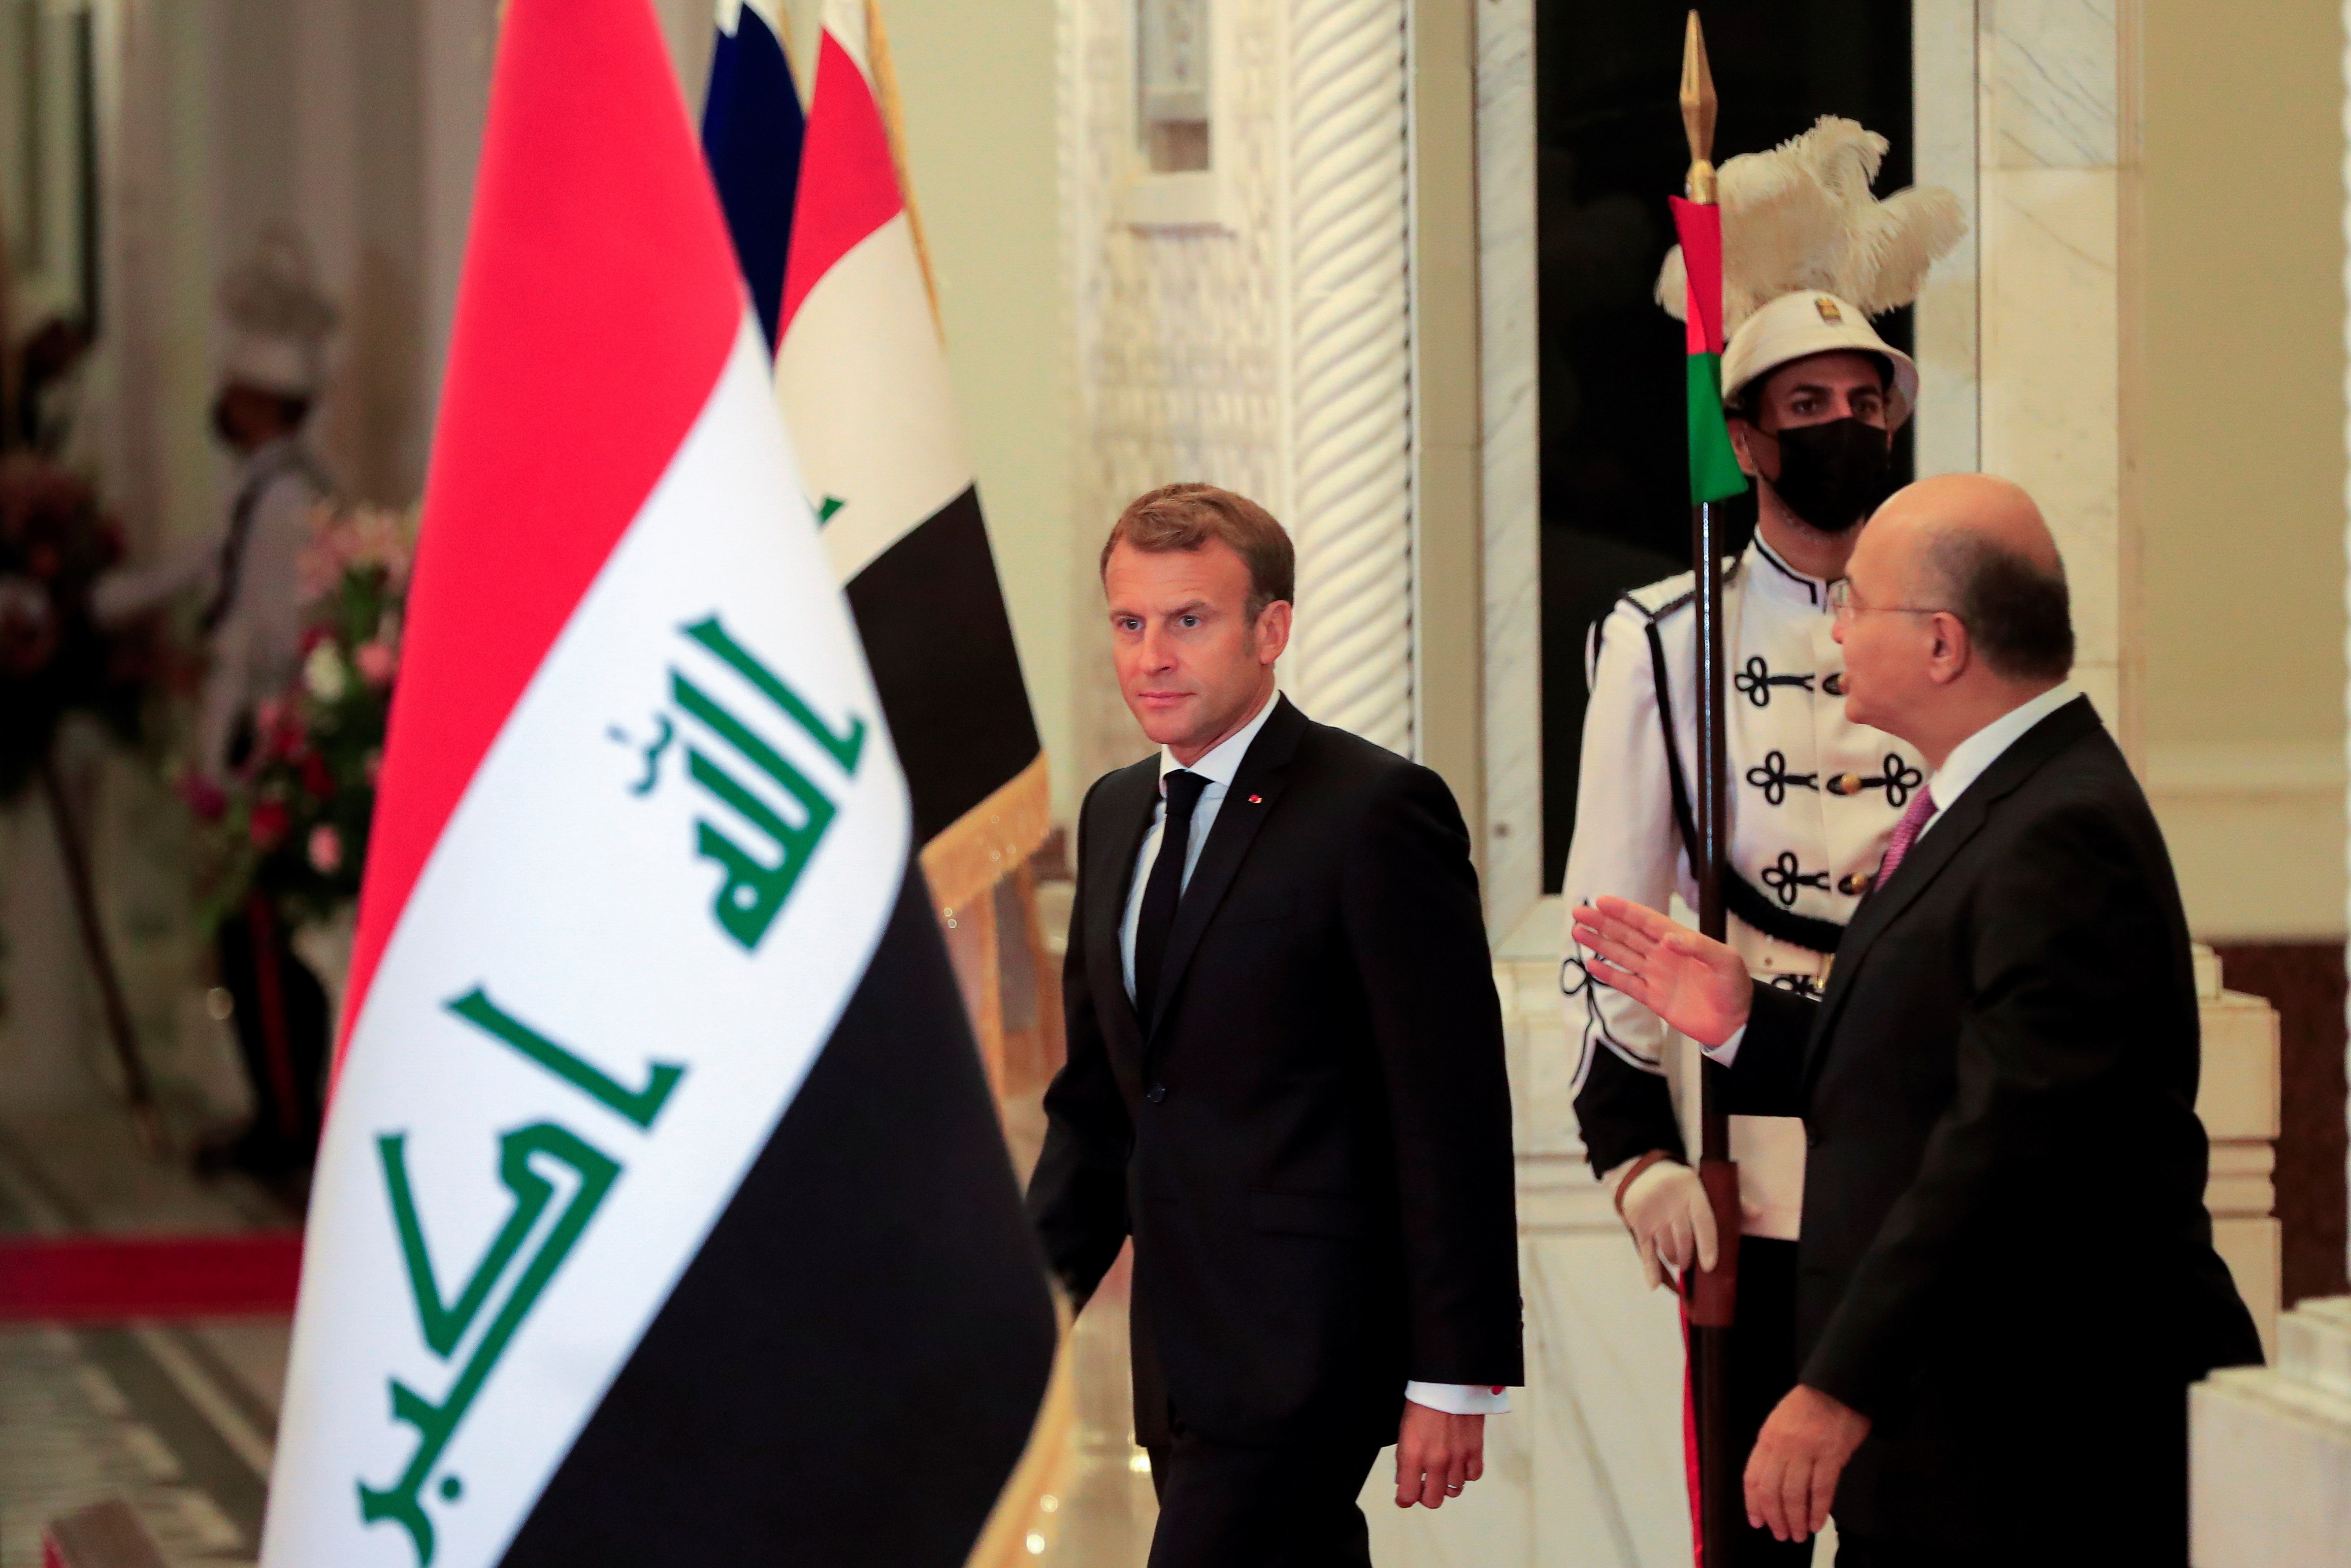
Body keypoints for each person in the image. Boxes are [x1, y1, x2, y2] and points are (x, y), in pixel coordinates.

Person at [1572, 473, 2262, 1566]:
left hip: (2032, 1445)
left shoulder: (2055, 830)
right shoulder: (1987, 801)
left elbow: (2006, 1150)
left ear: (1941, 645)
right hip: (1960, 1442)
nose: (1831, 624)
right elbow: (1929, 1081)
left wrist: (1835, 1389)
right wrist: (1746, 1021)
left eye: (1855, 601)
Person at [1027, 483, 1523, 1567]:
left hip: (1314, 1348)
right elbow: (1100, 1112)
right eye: (1128, 622)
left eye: (1187, 620)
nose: (1151, 654)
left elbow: (1447, 1108)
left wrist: (1453, 1369)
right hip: (1177, 1352)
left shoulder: (1374, 809)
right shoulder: (1115, 811)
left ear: (1270, 629)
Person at [1563, 289, 1927, 1565]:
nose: (1845, 426)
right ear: (1749, 441)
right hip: (1752, 1164)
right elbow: (1608, 925)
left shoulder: (1951, 625)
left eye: (1864, 402)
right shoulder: (1663, 639)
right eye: (1808, 407)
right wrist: (1633, 1156)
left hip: (1927, 1149)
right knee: (1754, 1527)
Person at [94, 230, 338, 1181]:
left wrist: (228, 751)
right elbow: (196, 572)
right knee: (247, 950)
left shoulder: (285, 502)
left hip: (260, 752)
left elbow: (266, 639)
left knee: (266, 957)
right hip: (246, 747)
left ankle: (288, 1122)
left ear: (251, 399)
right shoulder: (262, 492)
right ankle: (273, 1111)